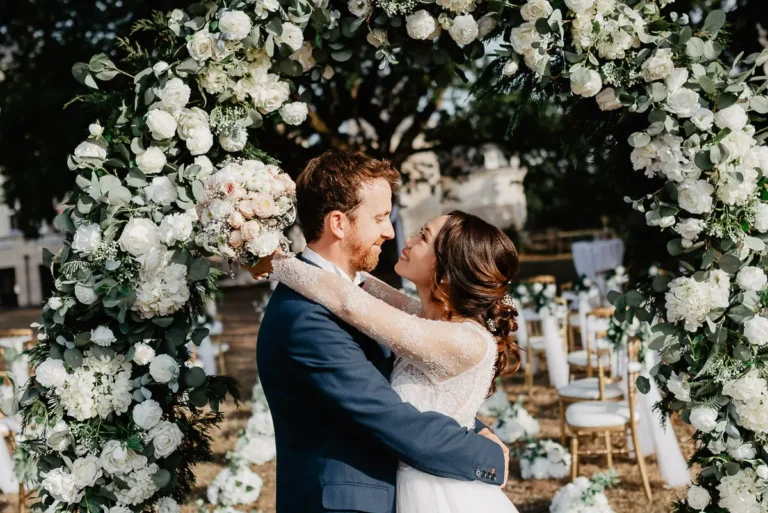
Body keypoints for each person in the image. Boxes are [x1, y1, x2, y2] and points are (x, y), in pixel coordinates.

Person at [255, 150, 512, 513]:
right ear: (338, 223)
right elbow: (391, 417)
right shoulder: (307, 317)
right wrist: (487, 454)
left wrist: (471, 424)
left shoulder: (365, 298)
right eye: (379, 218)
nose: (392, 232)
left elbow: (412, 389)